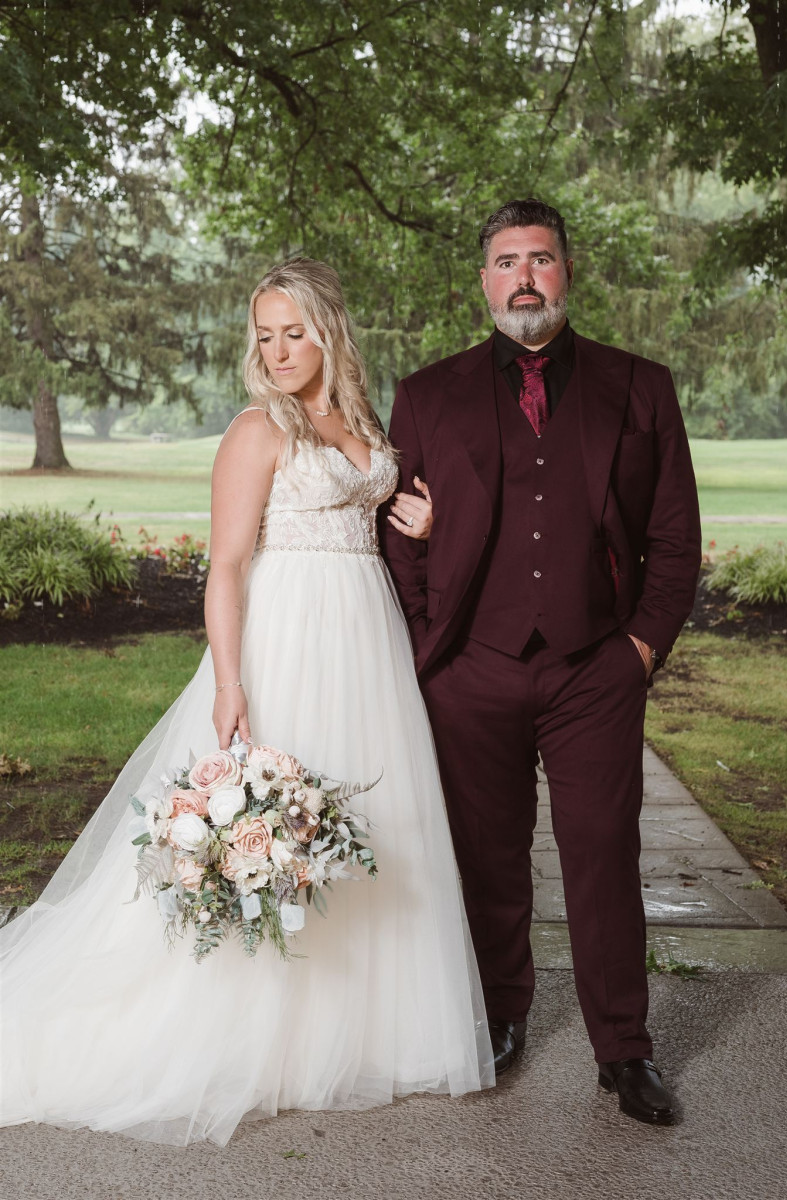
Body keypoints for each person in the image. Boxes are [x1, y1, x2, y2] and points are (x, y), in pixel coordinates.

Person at [0, 258, 493, 1147]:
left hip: (366, 642)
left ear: (329, 330)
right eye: (264, 335)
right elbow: (226, 567)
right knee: (281, 822)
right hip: (290, 639)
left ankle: (357, 1031)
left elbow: (370, 509)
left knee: (376, 823)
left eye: (293, 332)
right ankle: (254, 1033)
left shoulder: (356, 418)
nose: (277, 350)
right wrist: (231, 681)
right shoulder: (255, 430)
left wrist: (414, 519)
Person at [381, 198, 702, 1127]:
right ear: (482, 279)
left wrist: (638, 650)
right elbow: (398, 536)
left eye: (542, 259)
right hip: (471, 667)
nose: (524, 276)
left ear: (567, 272)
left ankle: (625, 1051)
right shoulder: (427, 394)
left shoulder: (640, 387)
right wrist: (431, 649)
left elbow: (674, 541)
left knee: (604, 855)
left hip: (594, 667)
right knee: (488, 857)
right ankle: (501, 1018)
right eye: (506, 261)